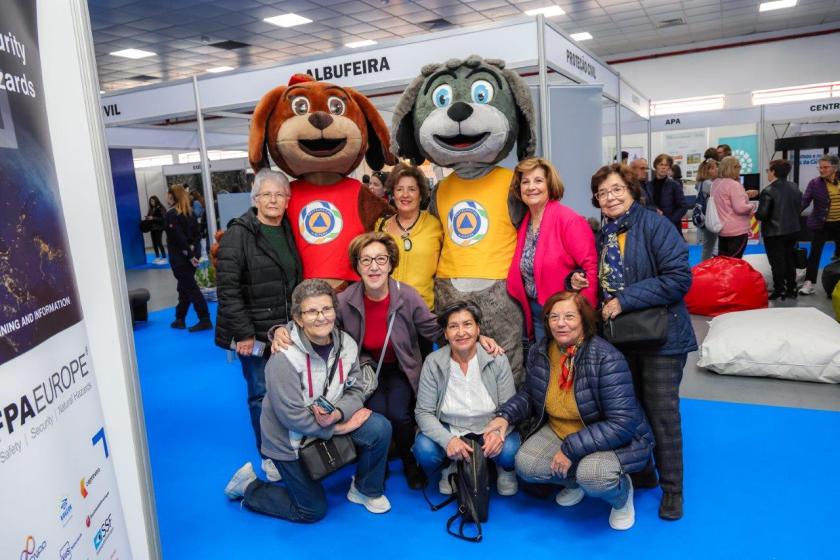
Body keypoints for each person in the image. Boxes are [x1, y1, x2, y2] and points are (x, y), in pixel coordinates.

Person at [270, 232, 503, 490]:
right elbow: (317, 321)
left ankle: (409, 461)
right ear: (357, 265)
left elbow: (435, 329)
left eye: (381, 259)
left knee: (400, 414)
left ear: (391, 263)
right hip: (364, 368)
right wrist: (282, 330)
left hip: (402, 366)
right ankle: (374, 465)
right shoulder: (345, 301)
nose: (374, 267)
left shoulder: (408, 296)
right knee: (375, 412)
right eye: (366, 260)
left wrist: (476, 337)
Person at [571, 163, 696, 520]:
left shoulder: (655, 225)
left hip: (662, 338)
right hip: (620, 340)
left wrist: (627, 299)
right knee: (631, 413)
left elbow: (678, 278)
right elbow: (602, 281)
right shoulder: (602, 235)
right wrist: (580, 281)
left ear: (632, 191)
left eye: (616, 190)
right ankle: (643, 473)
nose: (609, 197)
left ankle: (673, 490)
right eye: (602, 192)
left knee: (662, 414)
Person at [224, 280, 393, 521]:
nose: (321, 317)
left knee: (379, 427)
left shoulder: (347, 345)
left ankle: (365, 489)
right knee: (312, 510)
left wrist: (338, 414)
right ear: (298, 319)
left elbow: (356, 389)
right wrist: (340, 426)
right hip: (290, 441)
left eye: (326, 309)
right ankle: (249, 486)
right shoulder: (284, 358)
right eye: (311, 311)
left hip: (327, 422)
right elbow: (291, 417)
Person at [484, 291, 653, 530]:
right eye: (554, 317)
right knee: (526, 465)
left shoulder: (606, 358)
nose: (560, 323)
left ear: (584, 320)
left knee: (593, 476)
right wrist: (504, 416)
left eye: (569, 316)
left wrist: (571, 449)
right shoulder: (541, 350)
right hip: (561, 428)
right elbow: (530, 395)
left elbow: (622, 424)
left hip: (611, 438)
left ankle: (622, 495)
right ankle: (574, 483)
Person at [215, 169, 302, 482]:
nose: (274, 200)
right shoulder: (240, 234)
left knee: (288, 391)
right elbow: (227, 288)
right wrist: (245, 334)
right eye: (267, 194)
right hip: (253, 333)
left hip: (286, 329)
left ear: (288, 201)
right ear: (255, 199)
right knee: (261, 394)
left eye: (280, 195)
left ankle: (288, 441)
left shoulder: (290, 229)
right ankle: (269, 455)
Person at [414, 300, 521, 497]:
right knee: (424, 449)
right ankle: (450, 465)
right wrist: (447, 440)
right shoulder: (433, 362)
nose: (461, 332)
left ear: (478, 329)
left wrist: (498, 432)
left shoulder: (496, 359)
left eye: (467, 324)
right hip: (451, 427)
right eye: (453, 326)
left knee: (510, 451)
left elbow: (509, 406)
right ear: (445, 334)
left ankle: (503, 469)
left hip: (489, 425)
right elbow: (423, 412)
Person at [506, 157, 597, 344]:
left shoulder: (568, 220)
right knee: (548, 369)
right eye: (525, 182)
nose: (531, 187)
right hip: (537, 312)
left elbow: (591, 269)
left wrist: (583, 319)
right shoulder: (525, 223)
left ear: (549, 185)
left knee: (568, 369)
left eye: (538, 181)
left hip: (566, 317)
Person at [376, 163, 443, 310]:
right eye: (399, 189)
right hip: (386, 309)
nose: (405, 195)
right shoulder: (381, 226)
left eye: (412, 189)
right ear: (393, 194)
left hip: (424, 311)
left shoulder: (435, 225)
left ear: (421, 194)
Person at [166, 184, 211, 332]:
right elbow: (197, 236)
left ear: (173, 196)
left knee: (190, 288)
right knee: (184, 287)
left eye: (168, 194)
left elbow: (178, 237)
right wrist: (194, 253)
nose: (167, 197)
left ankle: (204, 319)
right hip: (191, 257)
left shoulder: (172, 214)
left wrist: (190, 254)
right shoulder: (190, 213)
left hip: (180, 258)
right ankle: (180, 318)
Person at [755, 160, 801, 300]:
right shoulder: (795, 187)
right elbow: (800, 205)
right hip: (793, 230)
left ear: (773, 171)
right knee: (789, 259)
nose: (768, 173)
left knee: (777, 262)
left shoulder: (768, 191)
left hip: (774, 233)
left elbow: (762, 214)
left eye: (768, 170)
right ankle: (792, 288)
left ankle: (779, 289)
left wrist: (755, 212)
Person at [799, 154, 840, 295]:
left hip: (839, 224)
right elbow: (805, 201)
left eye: (825, 167)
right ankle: (809, 283)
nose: (822, 170)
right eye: (820, 167)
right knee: (815, 254)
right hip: (821, 224)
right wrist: (793, 213)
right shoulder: (814, 183)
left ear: (835, 167)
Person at [712, 156, 757, 258]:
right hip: (737, 230)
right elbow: (740, 208)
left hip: (722, 228)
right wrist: (752, 206)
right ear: (734, 168)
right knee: (734, 262)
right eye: (738, 168)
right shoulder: (734, 185)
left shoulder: (716, 183)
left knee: (724, 261)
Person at [643, 154, 686, 234]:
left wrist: (670, 221)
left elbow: (683, 206)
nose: (663, 167)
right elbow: (646, 205)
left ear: (669, 168)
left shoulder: (674, 185)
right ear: (656, 166)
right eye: (661, 164)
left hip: (671, 227)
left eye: (666, 165)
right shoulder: (648, 185)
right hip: (653, 226)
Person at [695, 158, 720, 261]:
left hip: (705, 217)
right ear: (707, 170)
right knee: (709, 246)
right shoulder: (707, 184)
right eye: (713, 168)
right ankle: (704, 267)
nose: (717, 169)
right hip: (710, 218)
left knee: (708, 245)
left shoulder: (701, 183)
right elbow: (720, 194)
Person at [144, 195, 166, 263]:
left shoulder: (161, 208)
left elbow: (163, 218)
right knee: (154, 243)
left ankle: (164, 257)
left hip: (159, 228)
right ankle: (157, 257)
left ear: (156, 201)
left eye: (153, 201)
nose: (152, 202)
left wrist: (153, 218)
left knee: (159, 242)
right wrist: (147, 217)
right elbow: (151, 217)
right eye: (150, 201)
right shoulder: (151, 209)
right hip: (152, 228)